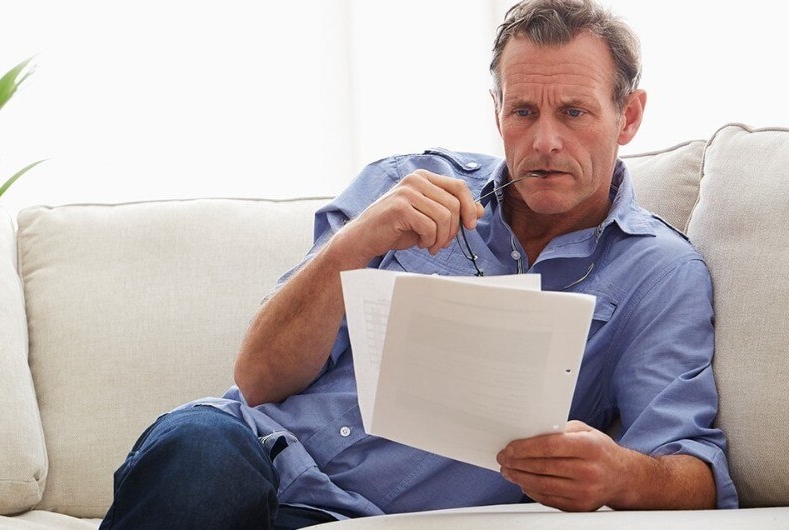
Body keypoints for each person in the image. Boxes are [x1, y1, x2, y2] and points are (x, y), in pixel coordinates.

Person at [99, 0, 739, 528]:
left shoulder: (659, 273)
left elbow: (698, 475)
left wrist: (620, 474)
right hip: (249, 450)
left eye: (574, 112)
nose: (545, 141)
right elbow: (259, 379)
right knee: (198, 457)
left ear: (627, 116)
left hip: (359, 517)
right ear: (497, 114)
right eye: (523, 112)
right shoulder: (403, 185)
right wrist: (353, 247)